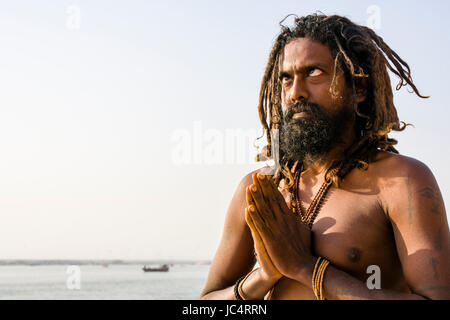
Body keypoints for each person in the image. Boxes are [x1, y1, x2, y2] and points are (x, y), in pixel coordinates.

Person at [200, 14, 449, 300]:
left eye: (314, 73)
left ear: (360, 88)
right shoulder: (258, 189)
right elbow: (206, 303)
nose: (296, 93)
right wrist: (265, 275)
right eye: (286, 79)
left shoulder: (402, 182)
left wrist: (306, 268)